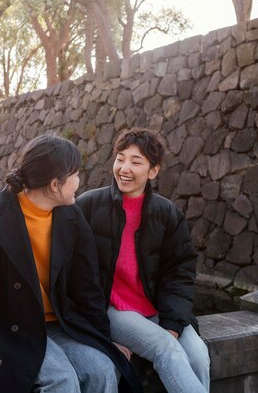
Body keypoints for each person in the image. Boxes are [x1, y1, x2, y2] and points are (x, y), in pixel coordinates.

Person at [0, 135, 141, 393]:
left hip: (63, 323)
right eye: (74, 174)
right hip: (13, 328)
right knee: (61, 381)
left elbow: (87, 288)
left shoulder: (71, 216)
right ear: (54, 185)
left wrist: (103, 340)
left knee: (103, 368)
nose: (78, 181)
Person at [76, 128, 210, 393]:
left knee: (199, 356)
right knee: (166, 349)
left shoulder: (167, 213)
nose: (124, 168)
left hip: (157, 308)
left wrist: (172, 324)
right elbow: (75, 275)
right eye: (120, 158)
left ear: (153, 171)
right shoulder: (89, 205)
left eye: (136, 162)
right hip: (114, 310)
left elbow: (180, 272)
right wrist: (100, 334)